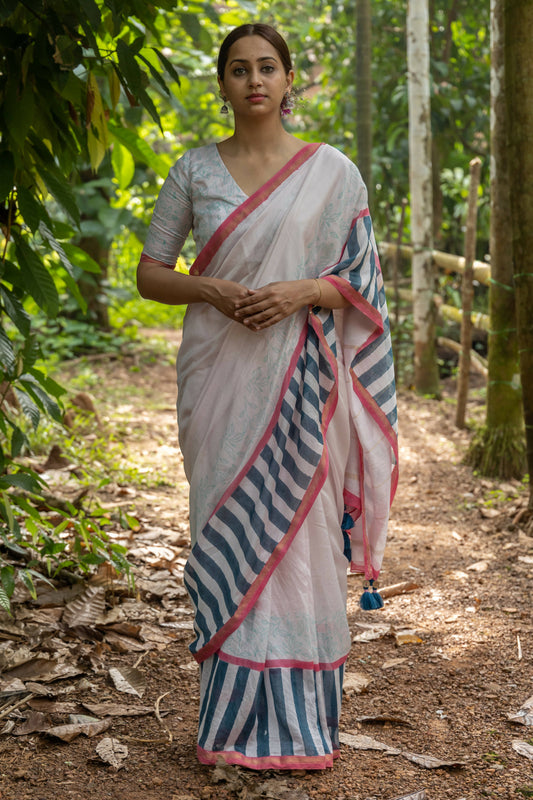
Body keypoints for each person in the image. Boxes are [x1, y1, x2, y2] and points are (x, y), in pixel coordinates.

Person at [137, 23, 398, 771]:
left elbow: (360, 280)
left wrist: (306, 291)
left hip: (302, 382)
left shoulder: (333, 173)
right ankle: (227, 726)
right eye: (239, 69)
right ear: (221, 83)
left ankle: (301, 728)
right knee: (225, 525)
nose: (254, 80)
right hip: (217, 379)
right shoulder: (194, 171)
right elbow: (150, 273)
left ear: (288, 82)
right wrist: (210, 290)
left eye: (267, 68)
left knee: (302, 536)